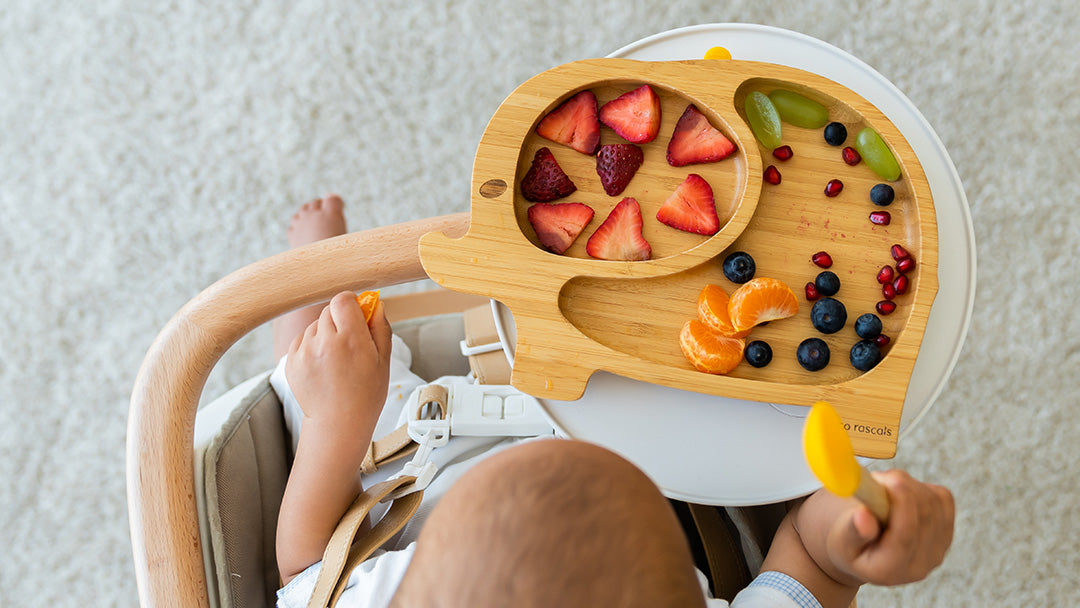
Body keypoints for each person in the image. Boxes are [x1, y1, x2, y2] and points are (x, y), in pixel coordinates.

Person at [272, 195, 955, 608]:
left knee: (323, 366)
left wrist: (337, 423)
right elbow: (812, 555)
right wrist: (855, 538)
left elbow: (310, 571)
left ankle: (316, 270)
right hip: (674, 461)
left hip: (427, 466)